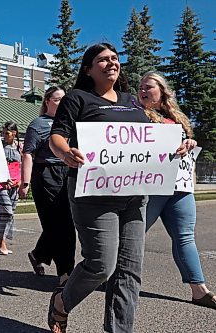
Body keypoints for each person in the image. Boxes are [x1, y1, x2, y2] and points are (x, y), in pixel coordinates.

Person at [47, 43, 153, 333]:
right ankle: (61, 302)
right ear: (88, 69)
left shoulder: (132, 101)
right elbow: (56, 137)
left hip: (133, 194)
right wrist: (66, 152)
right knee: (101, 264)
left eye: (115, 58)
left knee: (129, 271)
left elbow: (149, 140)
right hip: (93, 194)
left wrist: (179, 145)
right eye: (103, 59)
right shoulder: (78, 98)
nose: (111, 63)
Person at [138, 71, 216, 309]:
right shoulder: (137, 115)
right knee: (132, 235)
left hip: (179, 187)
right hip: (151, 186)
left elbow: (186, 143)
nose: (142, 90)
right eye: (140, 87)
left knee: (184, 237)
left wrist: (189, 142)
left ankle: (199, 289)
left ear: (162, 91)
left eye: (148, 87)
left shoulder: (177, 118)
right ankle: (112, 277)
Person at [19, 86, 76, 285]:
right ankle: (66, 273)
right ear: (47, 102)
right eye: (58, 99)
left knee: (63, 223)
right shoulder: (38, 124)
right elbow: (28, 153)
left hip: (67, 173)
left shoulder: (70, 124)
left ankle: (38, 254)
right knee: (62, 226)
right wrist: (24, 183)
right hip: (46, 174)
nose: (62, 103)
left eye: (64, 100)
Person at [0, 121, 21, 255]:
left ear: (14, 133)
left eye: (7, 133)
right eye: (3, 133)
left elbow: (22, 164)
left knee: (11, 212)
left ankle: (2, 241)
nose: (4, 135)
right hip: (1, 183)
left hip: (15, 184)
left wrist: (21, 181)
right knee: (5, 211)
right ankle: (1, 242)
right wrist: (3, 177)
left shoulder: (20, 147)